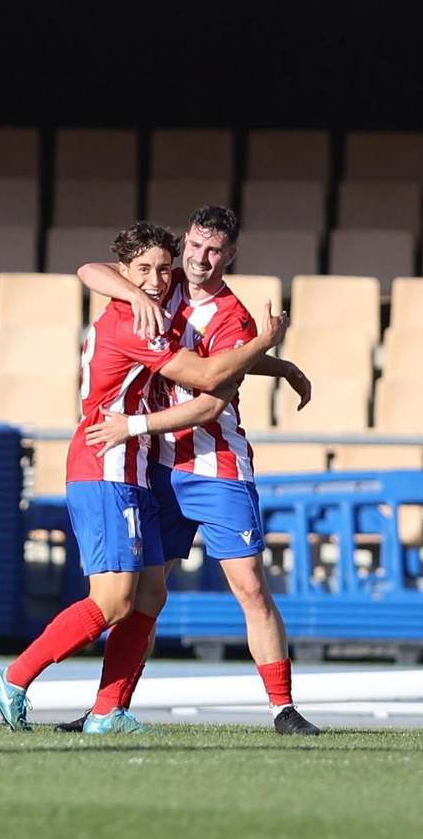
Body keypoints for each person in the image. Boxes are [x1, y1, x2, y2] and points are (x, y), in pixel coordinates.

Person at [0, 222, 288, 733]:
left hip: (136, 469)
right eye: (142, 270)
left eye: (162, 269)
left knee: (149, 595)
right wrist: (267, 340)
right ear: (124, 273)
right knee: (114, 600)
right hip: (107, 465)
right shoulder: (133, 322)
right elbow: (207, 378)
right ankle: (14, 677)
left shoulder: (148, 310)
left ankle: (109, 713)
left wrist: (280, 366)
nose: (155, 279)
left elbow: (208, 357)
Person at [66, 205, 321, 736]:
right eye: (195, 246)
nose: (199, 259)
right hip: (158, 467)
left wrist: (267, 354)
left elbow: (212, 398)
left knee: (249, 584)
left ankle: (282, 708)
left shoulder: (235, 317)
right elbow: (90, 271)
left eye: (213, 251)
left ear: (230, 255)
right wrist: (133, 293)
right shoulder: (162, 283)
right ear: (185, 242)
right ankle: (107, 708)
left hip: (216, 464)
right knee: (145, 596)